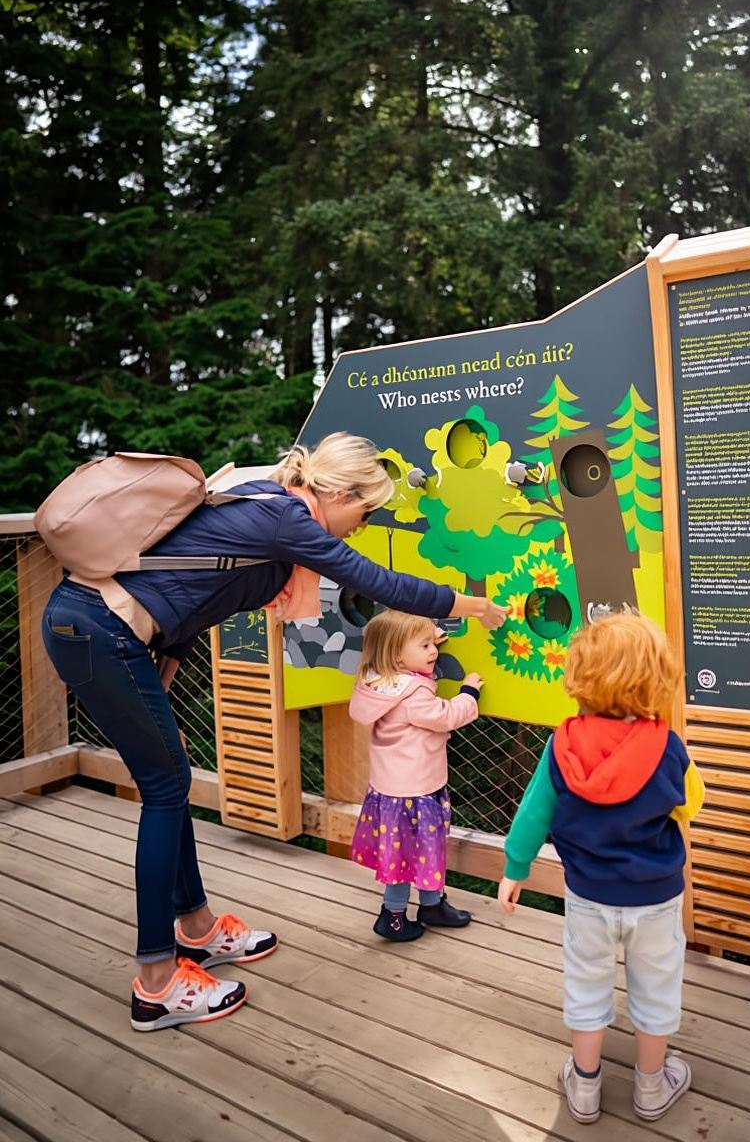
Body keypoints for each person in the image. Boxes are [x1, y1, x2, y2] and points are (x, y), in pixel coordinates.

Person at [41, 433, 506, 1030]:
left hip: (108, 634)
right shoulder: (283, 516)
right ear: (338, 494)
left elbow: (189, 596)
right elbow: (378, 583)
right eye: (363, 514)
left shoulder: (264, 511)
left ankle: (197, 929)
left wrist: (161, 681)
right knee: (165, 788)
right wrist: (468, 606)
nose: (360, 528)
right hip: (100, 630)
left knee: (169, 781)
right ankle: (157, 983)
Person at [497, 614, 704, 1125]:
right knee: (655, 987)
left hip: (587, 896)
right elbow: (690, 804)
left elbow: (532, 815)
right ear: (655, 679)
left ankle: (585, 1087)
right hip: (656, 898)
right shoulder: (668, 747)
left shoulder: (561, 746)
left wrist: (515, 867)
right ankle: (652, 1087)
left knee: (586, 985)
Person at [349, 609, 483, 941]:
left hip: (393, 789)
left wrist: (424, 638)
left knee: (420, 848)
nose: (434, 651)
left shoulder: (380, 681)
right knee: (412, 852)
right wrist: (469, 693)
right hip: (416, 792)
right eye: (425, 646)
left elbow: (410, 658)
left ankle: (432, 904)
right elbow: (445, 715)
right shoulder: (414, 694)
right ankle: (392, 915)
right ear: (397, 655)